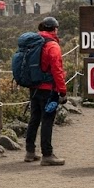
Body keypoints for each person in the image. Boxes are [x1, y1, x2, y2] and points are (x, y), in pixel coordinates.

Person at [24, 16, 67, 165]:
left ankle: (30, 152)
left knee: (34, 118)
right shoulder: (52, 46)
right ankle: (47, 155)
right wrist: (62, 91)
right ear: (54, 29)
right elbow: (57, 70)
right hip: (49, 89)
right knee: (47, 120)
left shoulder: (34, 42)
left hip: (34, 87)